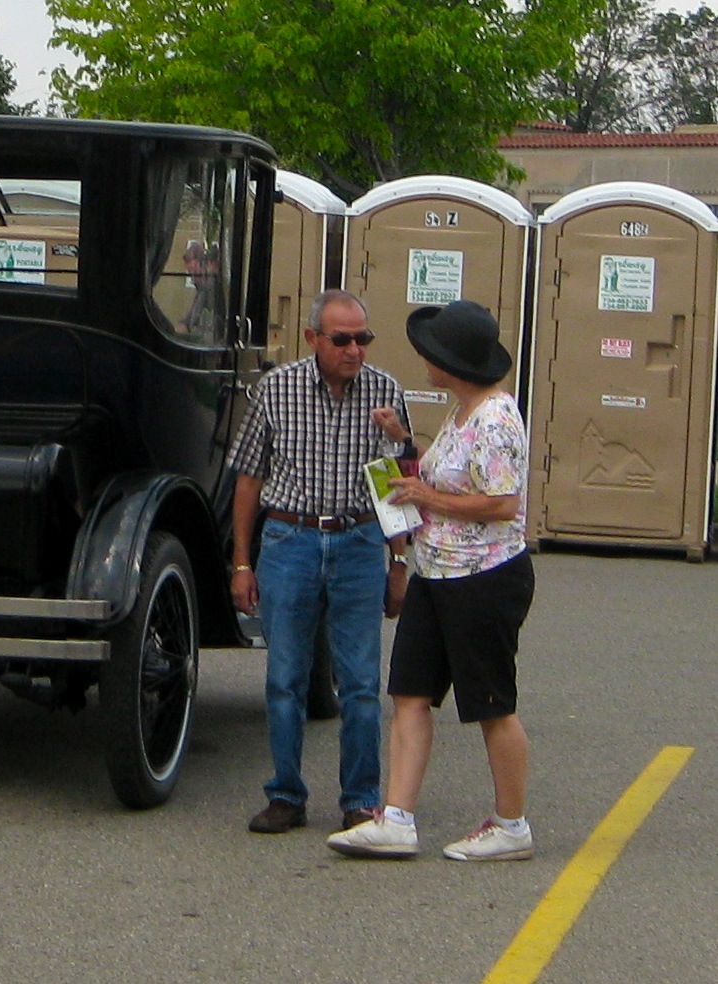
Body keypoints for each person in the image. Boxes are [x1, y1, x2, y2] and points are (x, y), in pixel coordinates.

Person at [326, 299, 535, 862]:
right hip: (437, 572)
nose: (424, 362)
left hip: (483, 577)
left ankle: (512, 824)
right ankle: (396, 818)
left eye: (431, 354)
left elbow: (500, 503)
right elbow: (447, 470)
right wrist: (403, 442)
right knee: (411, 694)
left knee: (492, 702)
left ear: (453, 363)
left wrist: (424, 496)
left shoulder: (495, 417)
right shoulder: (462, 411)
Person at [229, 288, 411, 835]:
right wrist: (242, 561)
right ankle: (285, 794)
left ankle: (360, 799)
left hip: (357, 542)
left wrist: (398, 562)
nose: (355, 350)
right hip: (291, 540)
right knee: (285, 675)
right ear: (313, 339)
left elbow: (398, 483)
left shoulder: (385, 392)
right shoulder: (276, 390)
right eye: (343, 339)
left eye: (363, 338)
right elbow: (249, 475)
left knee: (359, 680)